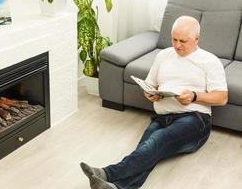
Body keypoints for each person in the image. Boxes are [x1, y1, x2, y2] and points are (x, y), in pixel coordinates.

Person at [80, 16, 228, 189]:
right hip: (162, 117)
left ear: (197, 39)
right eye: (174, 39)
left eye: (183, 41)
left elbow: (222, 97)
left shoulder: (209, 61)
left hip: (195, 119)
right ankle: (116, 188)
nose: (177, 45)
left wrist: (194, 96)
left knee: (158, 140)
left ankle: (106, 173)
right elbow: (150, 85)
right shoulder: (163, 55)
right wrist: (149, 93)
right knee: (147, 150)